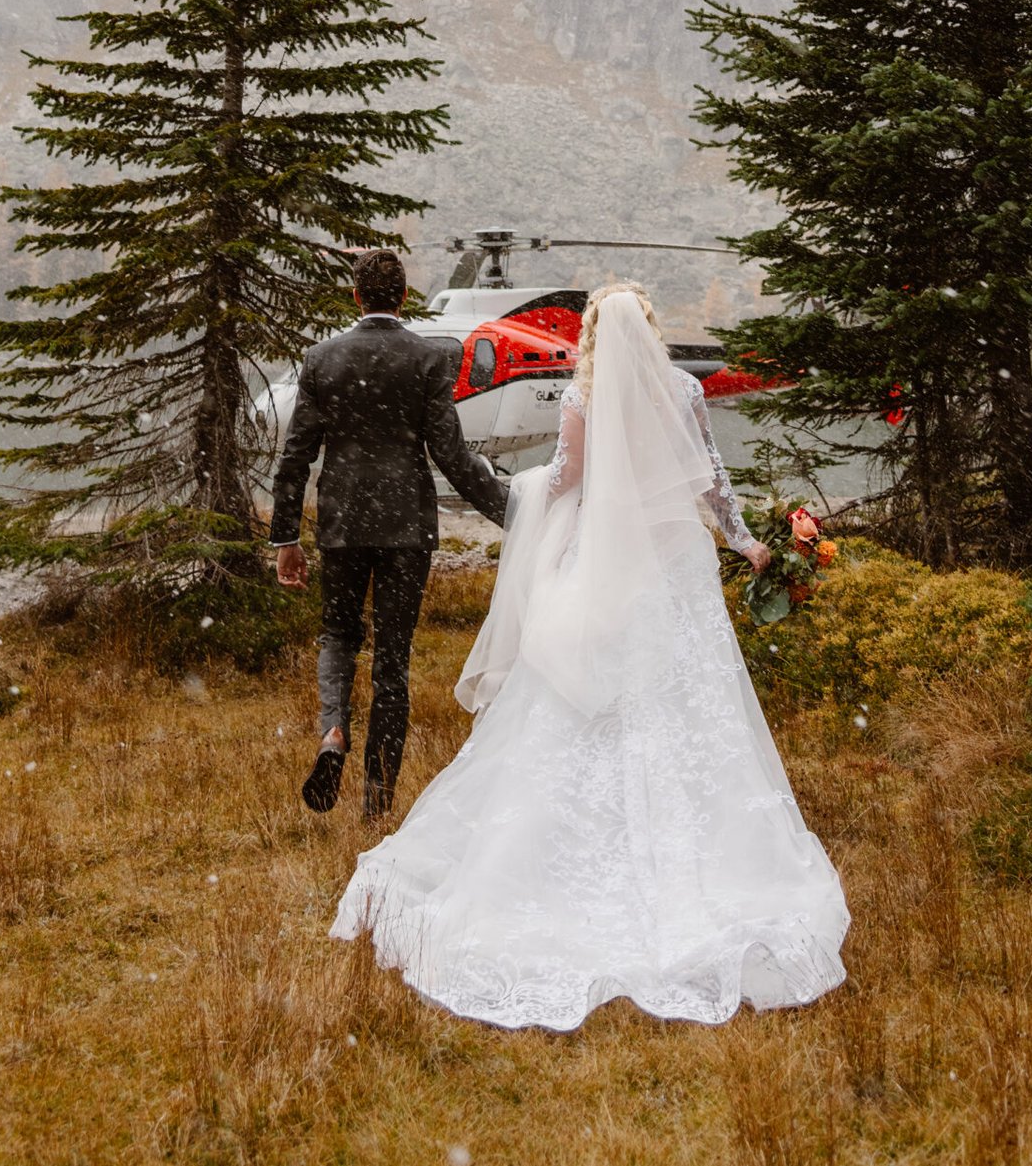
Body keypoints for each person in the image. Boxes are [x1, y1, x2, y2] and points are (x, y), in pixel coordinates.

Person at [330, 283, 849, 1028]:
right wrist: (744, 540)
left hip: (611, 568)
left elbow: (569, 480)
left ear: (596, 334)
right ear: (652, 330)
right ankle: (698, 858)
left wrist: (533, 488)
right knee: (686, 704)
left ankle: (550, 863)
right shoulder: (684, 390)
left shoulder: (584, 397)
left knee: (583, 702)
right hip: (676, 571)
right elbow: (712, 479)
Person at [269, 247, 510, 820]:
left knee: (337, 635)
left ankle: (333, 732)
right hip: (406, 525)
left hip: (343, 522)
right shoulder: (427, 359)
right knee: (392, 662)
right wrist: (512, 515)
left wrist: (285, 539)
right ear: (403, 298)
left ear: (357, 298)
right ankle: (376, 806)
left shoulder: (322, 359)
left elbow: (296, 455)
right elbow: (451, 455)